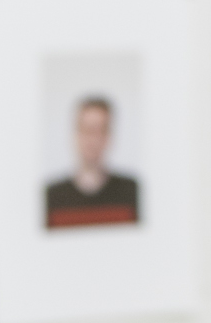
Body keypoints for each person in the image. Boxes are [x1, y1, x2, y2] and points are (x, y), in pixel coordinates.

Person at [44, 96, 141, 229]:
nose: (93, 140)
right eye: (88, 130)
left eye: (101, 130)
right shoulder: (52, 197)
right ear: (76, 134)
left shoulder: (131, 191)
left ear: (109, 136)